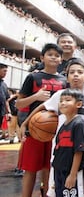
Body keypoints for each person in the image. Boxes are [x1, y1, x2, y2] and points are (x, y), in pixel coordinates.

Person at [16, 43, 67, 197]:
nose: (53, 57)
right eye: (50, 54)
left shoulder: (64, 81)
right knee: (30, 169)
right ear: (42, 57)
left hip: (56, 130)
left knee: (50, 168)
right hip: (35, 128)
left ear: (61, 60)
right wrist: (36, 97)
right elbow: (18, 103)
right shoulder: (33, 77)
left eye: (57, 55)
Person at [52, 89, 84, 197]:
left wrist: (73, 175)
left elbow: (79, 152)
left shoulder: (78, 124)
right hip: (59, 170)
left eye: (67, 100)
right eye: (61, 100)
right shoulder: (63, 125)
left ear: (78, 104)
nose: (63, 103)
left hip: (70, 171)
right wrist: (57, 177)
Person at [0, 63, 10, 140]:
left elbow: (6, 100)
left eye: (6, 71)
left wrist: (8, 112)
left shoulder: (4, 85)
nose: (5, 73)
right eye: (4, 71)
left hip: (1, 112)